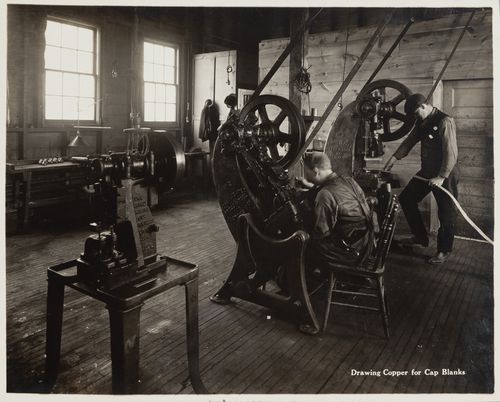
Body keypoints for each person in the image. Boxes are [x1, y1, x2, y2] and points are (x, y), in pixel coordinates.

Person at [384, 93, 458, 264]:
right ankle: (420, 237)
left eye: (417, 113)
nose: (416, 117)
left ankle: (444, 251)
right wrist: (393, 159)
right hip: (427, 172)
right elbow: (409, 141)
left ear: (424, 106)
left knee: (446, 212)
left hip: (445, 174)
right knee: (407, 198)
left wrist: (441, 176)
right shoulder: (422, 121)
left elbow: (451, 154)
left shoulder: (445, 121)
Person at [297, 152, 375, 271]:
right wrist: (311, 187)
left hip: (348, 253)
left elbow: (321, 233)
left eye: (307, 173)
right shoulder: (348, 180)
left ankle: (301, 285)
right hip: (366, 243)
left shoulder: (325, 195)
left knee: (299, 246)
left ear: (316, 171)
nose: (306, 176)